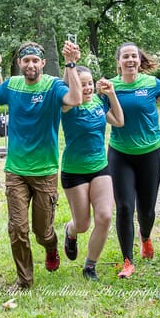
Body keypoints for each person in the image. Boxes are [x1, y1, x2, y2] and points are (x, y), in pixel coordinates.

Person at [0, 40, 82, 290]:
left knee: (42, 232)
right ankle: (25, 281)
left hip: (45, 171)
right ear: (20, 64)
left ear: (42, 63)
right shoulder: (12, 85)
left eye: (35, 60)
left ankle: (52, 246)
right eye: (26, 60)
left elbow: (75, 99)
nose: (30, 64)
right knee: (17, 228)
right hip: (16, 171)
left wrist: (71, 64)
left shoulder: (53, 85)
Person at [108, 42, 160, 278]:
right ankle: (128, 261)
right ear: (119, 61)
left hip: (151, 153)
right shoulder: (110, 86)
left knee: (146, 209)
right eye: (125, 56)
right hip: (120, 153)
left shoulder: (153, 84)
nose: (130, 60)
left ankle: (146, 236)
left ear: (140, 61)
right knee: (124, 207)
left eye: (134, 56)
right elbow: (100, 112)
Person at [60, 66, 124, 281]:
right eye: (82, 83)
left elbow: (119, 121)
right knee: (82, 224)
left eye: (89, 83)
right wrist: (70, 65)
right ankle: (70, 231)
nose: (87, 88)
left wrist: (111, 94)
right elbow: (73, 96)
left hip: (100, 167)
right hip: (74, 171)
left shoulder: (99, 102)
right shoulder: (67, 105)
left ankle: (90, 266)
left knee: (105, 217)